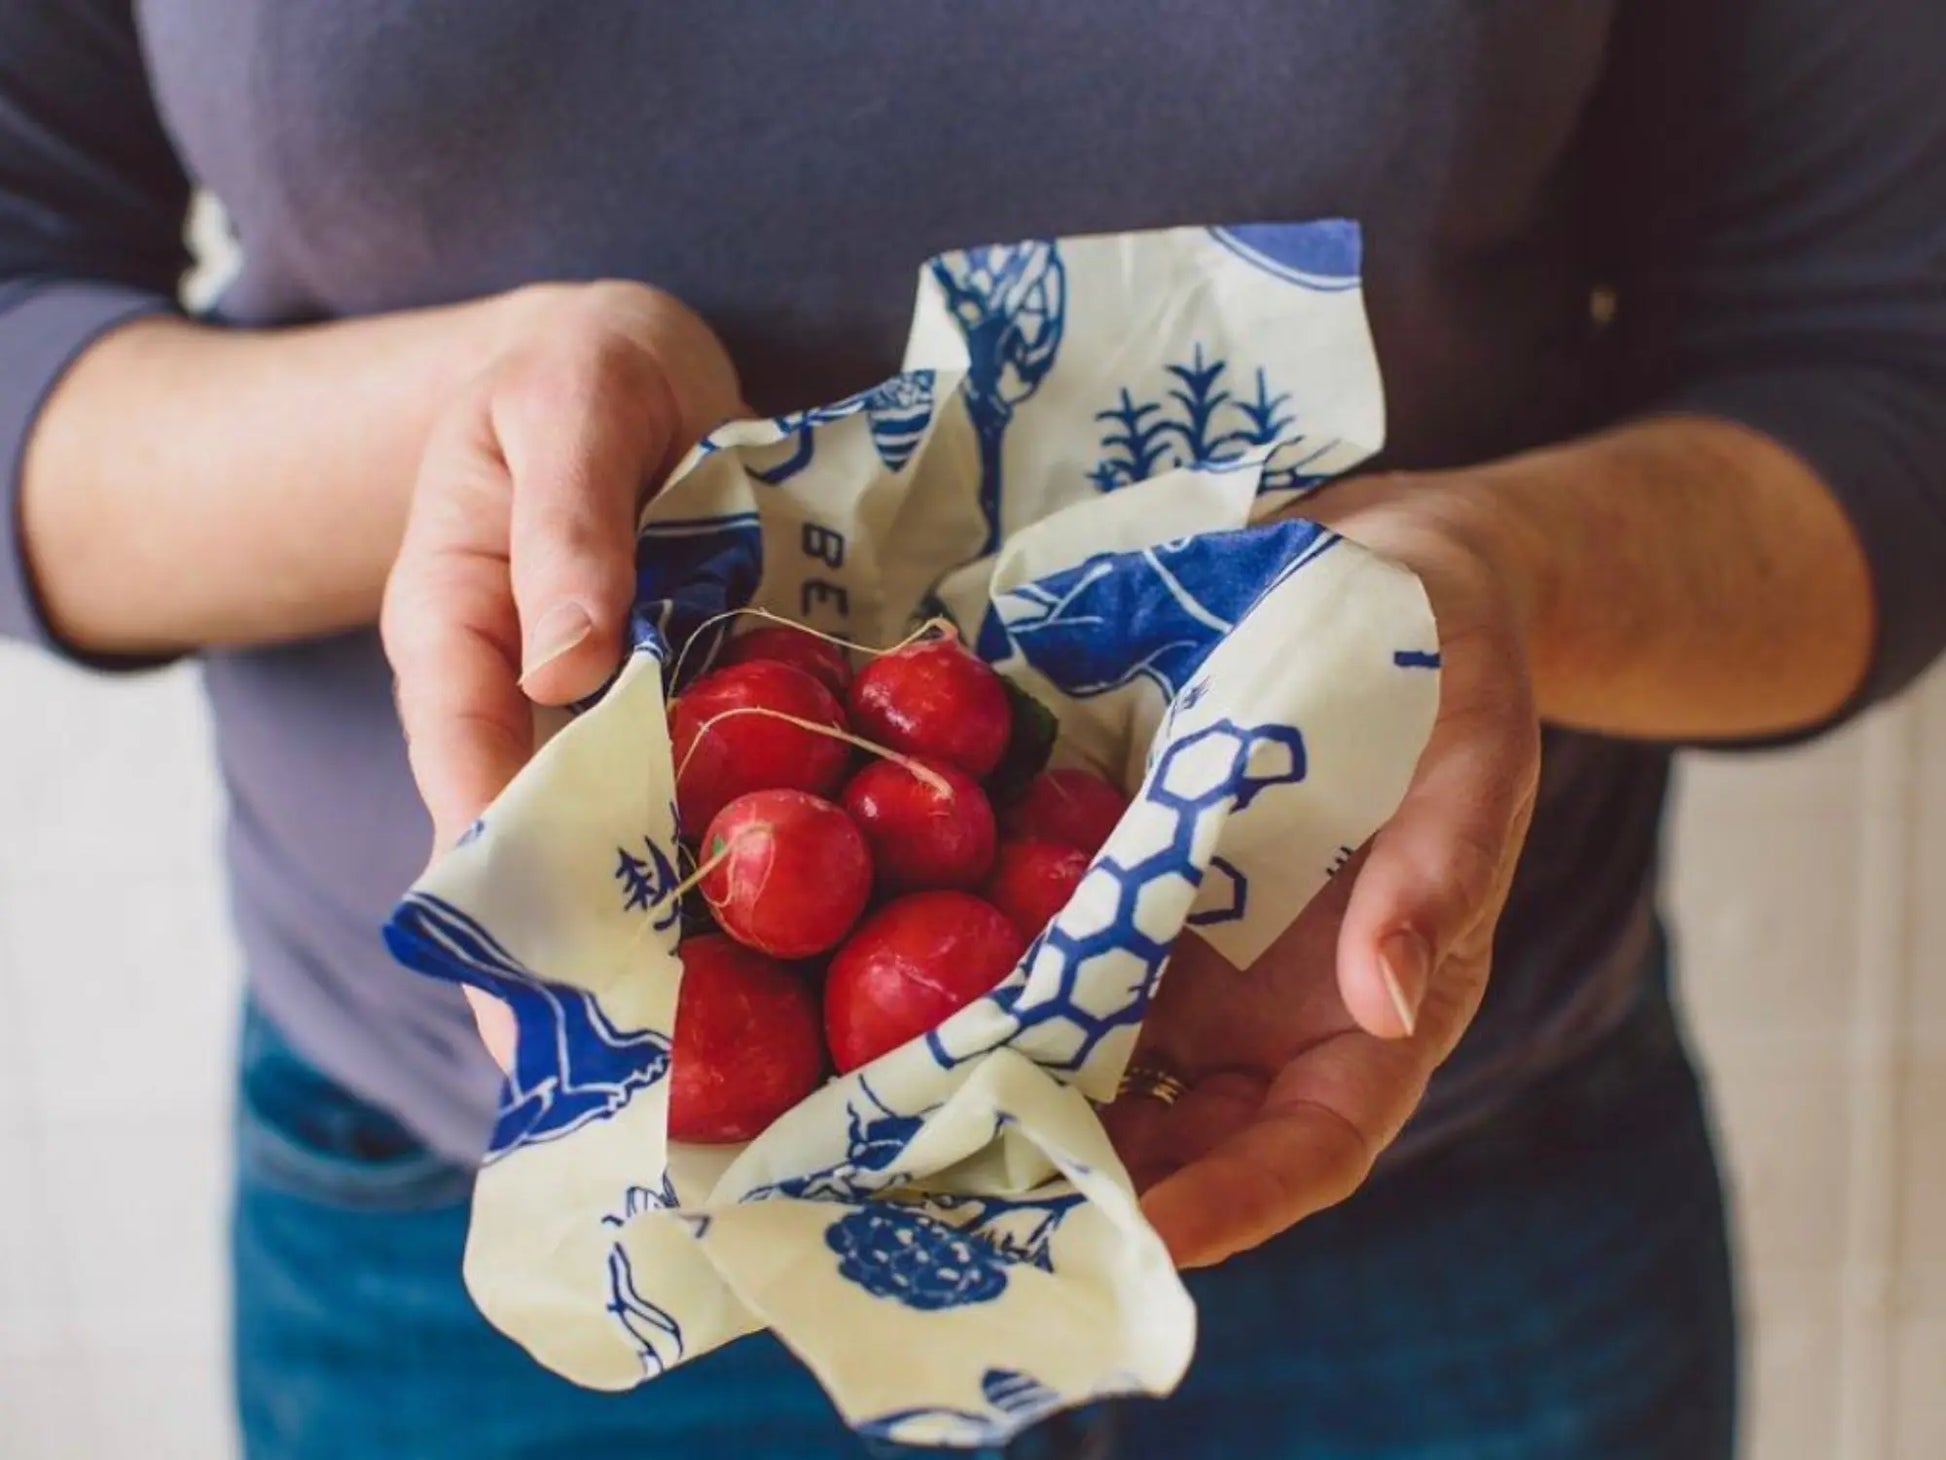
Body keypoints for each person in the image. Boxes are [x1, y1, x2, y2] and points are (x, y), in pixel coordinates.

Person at [3, 3, 1941, 1456]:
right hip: (526, 1237)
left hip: (1402, 1174)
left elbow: (1875, 374)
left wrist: (1503, 572)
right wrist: (484, 423)